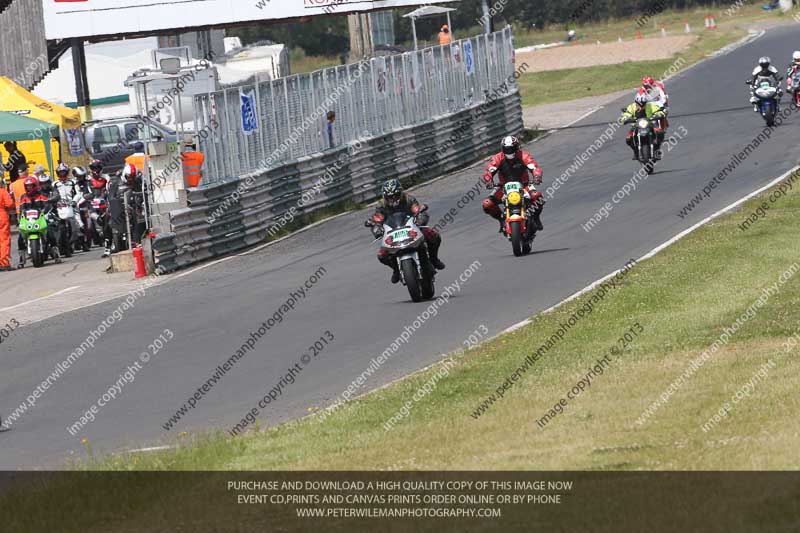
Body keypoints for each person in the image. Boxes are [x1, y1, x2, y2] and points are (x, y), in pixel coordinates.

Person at [367, 179, 445, 284]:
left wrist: (420, 217)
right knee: (382, 255)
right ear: (385, 196)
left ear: (401, 192)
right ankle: (396, 270)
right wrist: (375, 225)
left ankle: (434, 259)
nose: (392, 199)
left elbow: (417, 209)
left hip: (412, 227)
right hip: (392, 232)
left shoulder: (409, 199)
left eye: (395, 195)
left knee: (434, 236)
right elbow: (378, 218)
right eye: (389, 197)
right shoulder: (381, 205)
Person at [482, 136, 545, 233]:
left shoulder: (524, 156)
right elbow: (489, 171)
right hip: (504, 188)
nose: (509, 151)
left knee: (537, 196)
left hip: (524, 185)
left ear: (517, 147)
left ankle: (536, 218)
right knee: (487, 204)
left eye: (511, 148)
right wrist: (488, 180)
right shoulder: (497, 158)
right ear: (502, 149)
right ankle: (501, 220)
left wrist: (537, 176)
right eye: (506, 149)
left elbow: (534, 167)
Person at [17, 176, 61, 266]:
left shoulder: (41, 195)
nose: (29, 188)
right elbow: (21, 209)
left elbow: (47, 206)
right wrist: (20, 218)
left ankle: (56, 254)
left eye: (31, 186)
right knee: (20, 238)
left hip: (40, 218)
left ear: (35, 186)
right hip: (28, 221)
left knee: (50, 233)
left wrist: (44, 211)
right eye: (27, 186)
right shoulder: (24, 197)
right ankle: (22, 259)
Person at [621, 93, 667, 159]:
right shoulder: (631, 107)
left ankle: (657, 149)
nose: (641, 107)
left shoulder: (651, 105)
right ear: (636, 103)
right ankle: (635, 151)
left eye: (643, 105)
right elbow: (626, 114)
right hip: (636, 126)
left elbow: (660, 110)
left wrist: (660, 114)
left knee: (660, 132)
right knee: (628, 138)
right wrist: (625, 119)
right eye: (638, 105)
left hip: (650, 123)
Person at [0, 185, 13, 271]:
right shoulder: (2, 191)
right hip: (2, 215)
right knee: (4, 239)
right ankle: (4, 263)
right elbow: (10, 204)